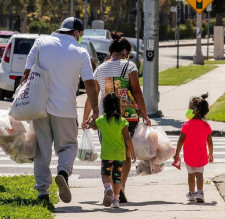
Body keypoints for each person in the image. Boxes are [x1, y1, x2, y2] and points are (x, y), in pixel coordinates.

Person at [21, 17, 99, 203]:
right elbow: (89, 83)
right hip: (65, 109)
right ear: (75, 33)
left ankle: (42, 192)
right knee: (69, 146)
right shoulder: (80, 51)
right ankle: (63, 172)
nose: (80, 37)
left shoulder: (40, 43)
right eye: (80, 34)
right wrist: (95, 110)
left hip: (39, 108)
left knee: (42, 150)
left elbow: (26, 75)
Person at [82, 31, 151, 203]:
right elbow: (136, 91)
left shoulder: (99, 69)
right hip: (127, 118)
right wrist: (145, 114)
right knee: (125, 154)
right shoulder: (130, 66)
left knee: (109, 153)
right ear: (125, 52)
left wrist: (86, 117)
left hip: (105, 119)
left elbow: (93, 96)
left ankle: (111, 189)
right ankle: (119, 189)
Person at [88, 92, 136, 208]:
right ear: (118, 106)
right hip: (119, 155)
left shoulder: (101, 120)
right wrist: (132, 151)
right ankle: (115, 200)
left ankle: (107, 188)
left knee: (105, 173)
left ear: (104, 106)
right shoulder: (122, 121)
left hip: (106, 154)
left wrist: (91, 121)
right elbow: (127, 138)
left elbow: (93, 126)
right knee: (117, 177)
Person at [173, 93, 213, 203]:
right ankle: (200, 192)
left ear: (194, 111)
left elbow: (181, 140)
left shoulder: (186, 125)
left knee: (191, 174)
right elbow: (209, 141)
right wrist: (211, 154)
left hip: (189, 156)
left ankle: (192, 193)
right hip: (201, 155)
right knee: (199, 174)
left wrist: (176, 154)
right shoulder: (206, 126)